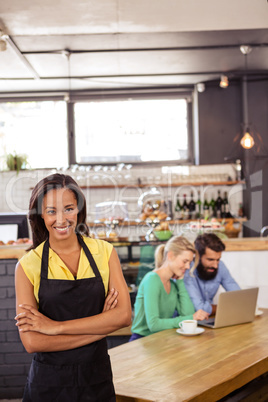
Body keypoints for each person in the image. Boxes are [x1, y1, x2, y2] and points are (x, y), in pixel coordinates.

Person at [14, 173, 132, 402]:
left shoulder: (104, 252)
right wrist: (102, 326)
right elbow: (32, 342)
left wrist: (55, 327)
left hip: (96, 380)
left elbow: (124, 316)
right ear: (40, 215)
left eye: (69, 208)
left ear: (79, 209)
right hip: (48, 385)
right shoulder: (27, 266)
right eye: (51, 211)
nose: (61, 219)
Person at [129, 236, 209, 341]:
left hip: (161, 338)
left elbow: (187, 315)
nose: (188, 267)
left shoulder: (173, 284)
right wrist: (191, 318)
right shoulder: (151, 279)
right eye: (185, 261)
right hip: (142, 340)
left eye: (189, 263)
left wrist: (180, 281)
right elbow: (154, 325)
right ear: (170, 256)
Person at [183, 233, 240, 315]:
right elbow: (199, 309)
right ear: (197, 255)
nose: (215, 265)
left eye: (218, 260)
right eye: (210, 260)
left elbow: (237, 295)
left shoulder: (220, 266)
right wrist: (227, 307)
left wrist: (241, 303)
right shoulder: (188, 270)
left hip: (209, 318)